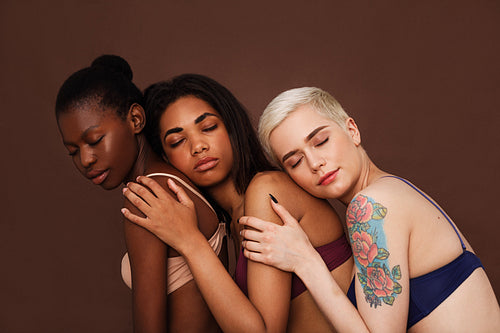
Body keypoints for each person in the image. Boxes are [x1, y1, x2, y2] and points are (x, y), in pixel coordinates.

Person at [237, 87, 500, 332]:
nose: (315, 163)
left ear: (352, 130)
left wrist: (305, 261)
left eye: (321, 141)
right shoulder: (393, 189)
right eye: (295, 162)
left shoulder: (372, 205)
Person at [121, 74, 353, 332]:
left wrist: (190, 242)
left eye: (208, 127)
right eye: (177, 141)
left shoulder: (267, 191)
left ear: (233, 127)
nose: (197, 146)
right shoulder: (233, 220)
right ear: (166, 158)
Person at [55, 56, 229, 332]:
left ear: (135, 119)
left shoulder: (146, 199)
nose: (86, 159)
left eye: (95, 140)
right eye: (73, 151)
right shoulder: (176, 179)